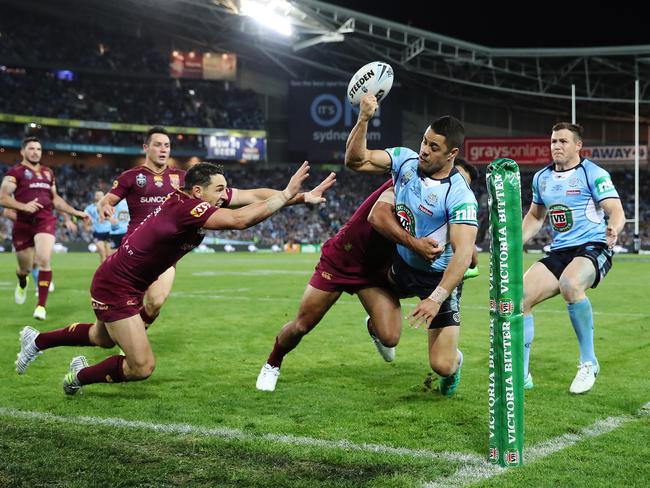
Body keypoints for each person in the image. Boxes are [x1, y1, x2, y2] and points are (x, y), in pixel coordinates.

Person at [15, 161, 332, 394]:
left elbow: (250, 196)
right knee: (142, 367)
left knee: (102, 338)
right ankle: (77, 377)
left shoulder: (193, 197)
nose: (224, 195)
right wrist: (286, 194)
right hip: (117, 285)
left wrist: (298, 197)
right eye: (219, 190)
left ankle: (37, 341)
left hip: (127, 281)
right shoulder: (188, 209)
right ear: (198, 191)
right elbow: (239, 220)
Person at [344, 93, 478, 396]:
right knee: (359, 279)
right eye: (424, 141)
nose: (424, 151)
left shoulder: (459, 195)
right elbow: (355, 160)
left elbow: (463, 255)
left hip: (437, 279)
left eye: (434, 147)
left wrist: (436, 298)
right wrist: (363, 118)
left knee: (441, 365)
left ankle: (455, 362)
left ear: (451, 153)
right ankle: (377, 325)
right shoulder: (405, 160)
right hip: (400, 266)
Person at [256, 178, 442, 392]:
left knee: (390, 338)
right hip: (342, 258)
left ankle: (373, 327)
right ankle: (272, 363)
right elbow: (377, 217)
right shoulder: (405, 179)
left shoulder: (438, 204)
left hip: (374, 270)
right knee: (302, 325)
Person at [521, 122, 625, 394]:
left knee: (570, 284)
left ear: (578, 145)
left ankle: (589, 363)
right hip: (560, 250)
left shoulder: (593, 173)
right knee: (518, 298)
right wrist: (515, 240)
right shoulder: (541, 177)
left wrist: (614, 226)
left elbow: (615, 209)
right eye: (554, 141)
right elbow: (535, 216)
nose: (556, 146)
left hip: (593, 246)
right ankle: (521, 375)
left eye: (563, 141)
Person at [0, 136, 89, 320]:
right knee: (25, 267)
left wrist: (75, 212)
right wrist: (23, 206)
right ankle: (22, 282)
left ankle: (41, 306)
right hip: (23, 224)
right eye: (31, 149)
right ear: (23, 152)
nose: (35, 152)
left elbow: (55, 199)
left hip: (45, 220)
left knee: (43, 259)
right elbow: (3, 198)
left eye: (38, 149)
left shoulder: (48, 173)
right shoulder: (15, 173)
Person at [84, 191, 112, 263]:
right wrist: (86, 226)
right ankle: (103, 273)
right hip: (97, 232)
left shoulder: (108, 206)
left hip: (109, 232)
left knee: (109, 254)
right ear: (94, 197)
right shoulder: (89, 208)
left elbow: (113, 217)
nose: (99, 196)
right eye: (97, 195)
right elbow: (85, 218)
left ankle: (109, 271)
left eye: (100, 195)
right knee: (102, 253)